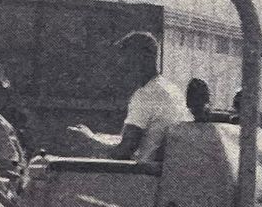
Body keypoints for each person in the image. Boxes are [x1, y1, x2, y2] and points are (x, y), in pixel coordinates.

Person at [69, 31, 189, 170]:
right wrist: (98, 138)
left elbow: (124, 152)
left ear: (145, 58)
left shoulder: (146, 95)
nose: (122, 68)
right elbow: (142, 137)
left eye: (128, 61)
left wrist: (89, 141)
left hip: (142, 177)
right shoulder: (171, 89)